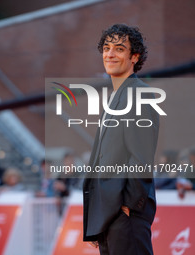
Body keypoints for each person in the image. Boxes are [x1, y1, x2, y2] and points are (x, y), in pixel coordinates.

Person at [83, 24, 159, 255]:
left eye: (118, 49)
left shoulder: (138, 94)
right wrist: (99, 217)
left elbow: (141, 158)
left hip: (125, 214)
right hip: (108, 214)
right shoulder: (116, 96)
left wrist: (129, 206)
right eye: (106, 48)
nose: (109, 54)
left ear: (134, 56)